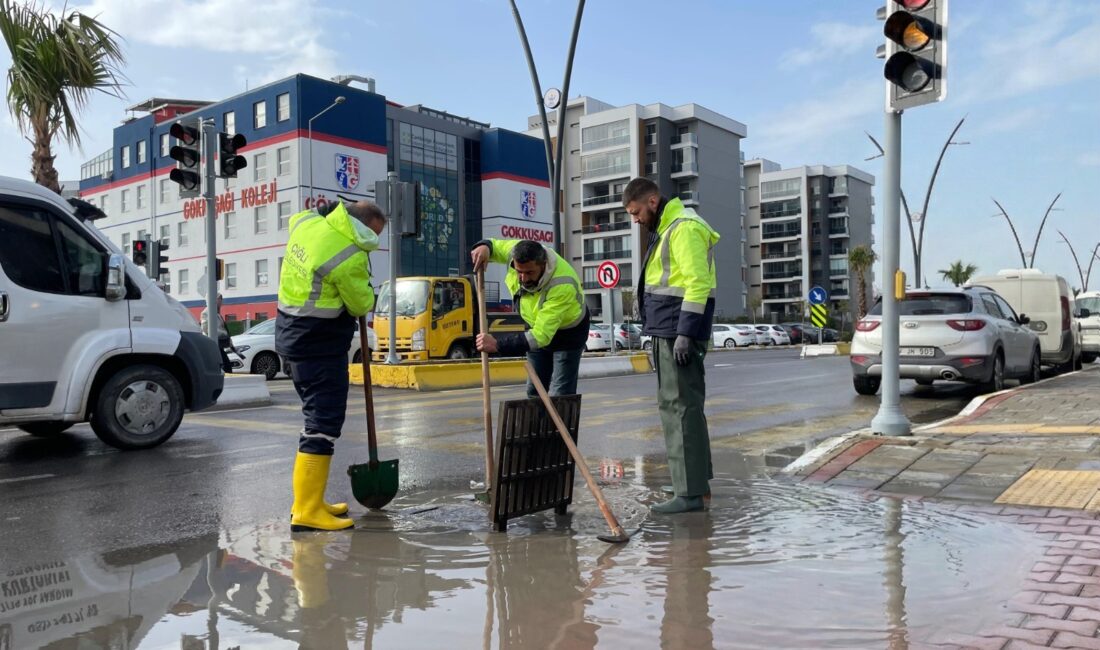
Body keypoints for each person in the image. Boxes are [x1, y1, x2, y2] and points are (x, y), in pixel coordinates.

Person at [276, 199, 386, 532]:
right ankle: (307, 512)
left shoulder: (306, 225)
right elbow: (361, 303)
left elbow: (302, 212)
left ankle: (307, 501)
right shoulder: (348, 255)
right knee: (321, 425)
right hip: (319, 346)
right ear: (362, 227)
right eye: (375, 235)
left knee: (314, 420)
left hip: (291, 338)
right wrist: (367, 286)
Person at [622, 177, 719, 514]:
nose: (635, 220)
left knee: (678, 408)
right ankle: (691, 482)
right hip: (669, 329)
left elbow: (697, 283)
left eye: (635, 212)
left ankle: (689, 493)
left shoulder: (682, 228)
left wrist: (685, 333)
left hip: (677, 331)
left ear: (652, 201)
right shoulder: (669, 227)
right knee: (684, 406)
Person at [470, 239, 589, 398]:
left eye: (529, 273)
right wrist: (484, 247)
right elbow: (495, 246)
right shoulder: (515, 252)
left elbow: (541, 336)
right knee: (535, 390)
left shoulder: (562, 285)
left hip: (568, 335)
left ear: (543, 264)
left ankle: (560, 423)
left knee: (560, 394)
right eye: (519, 271)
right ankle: (536, 423)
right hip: (536, 326)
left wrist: (498, 344)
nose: (523, 278)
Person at [200, 293, 233, 373]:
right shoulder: (206, 313)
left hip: (218, 344)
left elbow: (223, 327)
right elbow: (205, 329)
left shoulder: (216, 313)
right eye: (220, 299)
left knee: (226, 366)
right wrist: (223, 334)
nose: (221, 302)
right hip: (213, 344)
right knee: (225, 366)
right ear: (214, 300)